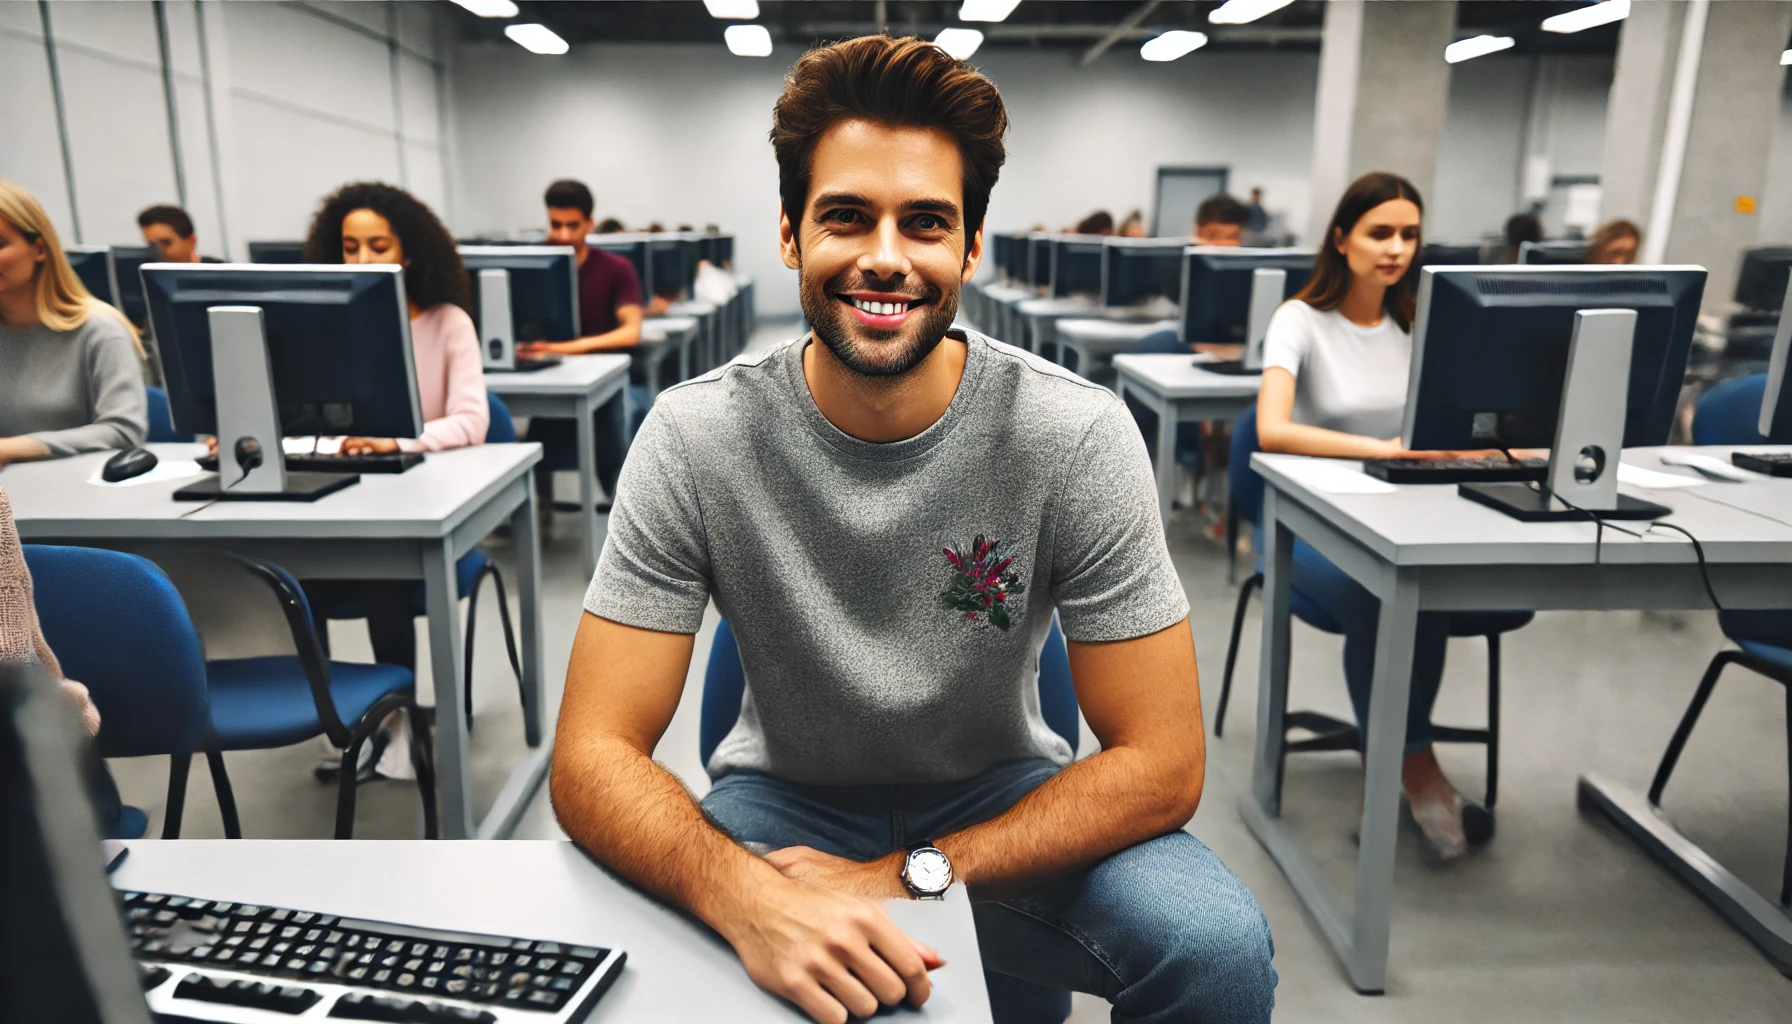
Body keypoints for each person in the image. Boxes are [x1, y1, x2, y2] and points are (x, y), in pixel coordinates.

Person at [550, 35, 1275, 1024]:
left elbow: (1162, 760)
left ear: (969, 248)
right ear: (791, 235)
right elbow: (592, 754)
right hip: (783, 802)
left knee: (1215, 951)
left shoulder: (1071, 433)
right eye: (846, 216)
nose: (885, 256)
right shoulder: (696, 437)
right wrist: (751, 895)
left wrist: (910, 872)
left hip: (1004, 799)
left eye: (925, 222)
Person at [1255, 171, 1512, 863]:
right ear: (1342, 239)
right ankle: (1415, 769)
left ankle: (1394, 760)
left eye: (1408, 234)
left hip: (1402, 514)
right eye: (1380, 233)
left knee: (1415, 587)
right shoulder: (1298, 321)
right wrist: (1380, 450)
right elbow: (1272, 428)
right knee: (1381, 596)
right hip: (1303, 526)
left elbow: (1458, 419)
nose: (1396, 247)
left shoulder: (1420, 322)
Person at [292, 182, 487, 781]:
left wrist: (397, 442)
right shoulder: (326, 327)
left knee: (382, 575)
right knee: (298, 581)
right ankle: (345, 720)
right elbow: (302, 414)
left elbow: (472, 421)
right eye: (351, 247)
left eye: (379, 245)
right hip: (341, 497)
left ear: (409, 251)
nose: (363, 261)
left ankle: (400, 724)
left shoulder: (446, 321)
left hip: (420, 505)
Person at [0, 180, 147, 469]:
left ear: (39, 249)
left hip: (75, 498)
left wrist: (11, 449)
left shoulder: (99, 330)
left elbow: (124, 432)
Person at [519, 179, 646, 512]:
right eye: (555, 225)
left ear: (589, 224)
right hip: (545, 376)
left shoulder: (616, 268)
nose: (562, 235)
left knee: (621, 415)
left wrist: (565, 348)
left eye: (572, 226)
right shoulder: (530, 267)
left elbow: (630, 332)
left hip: (608, 379)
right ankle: (530, 508)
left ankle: (625, 506)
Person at [137, 204, 218, 264]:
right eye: (152, 245)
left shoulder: (222, 276)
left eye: (166, 243)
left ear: (191, 241)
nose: (158, 251)